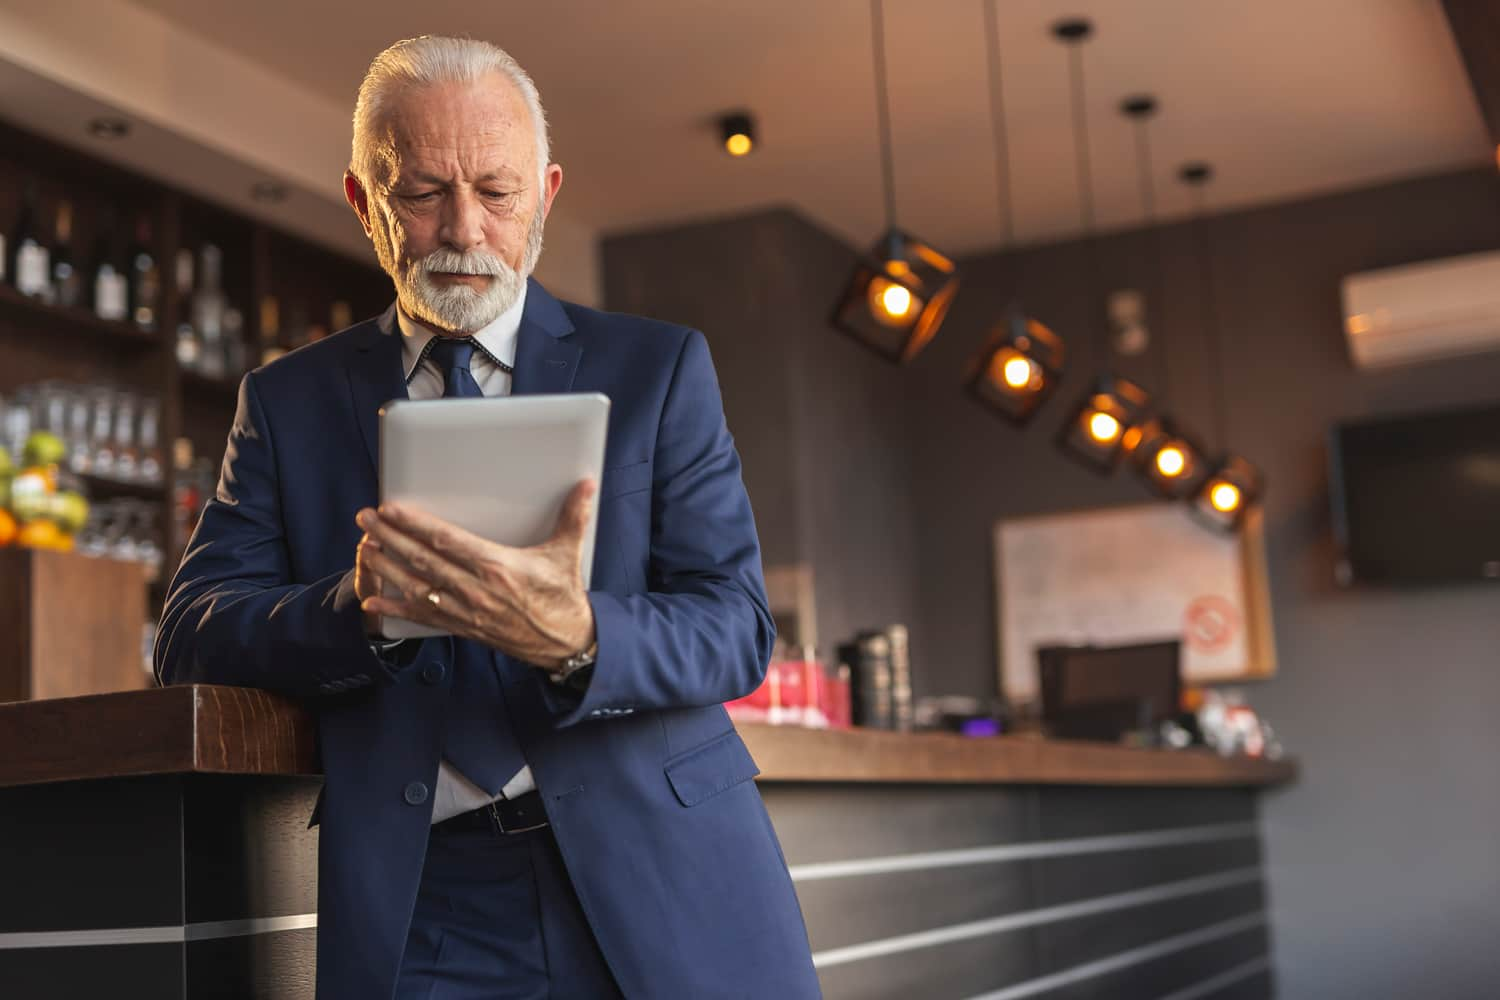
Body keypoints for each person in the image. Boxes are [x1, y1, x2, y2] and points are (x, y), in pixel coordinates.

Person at [155, 34, 820, 1000]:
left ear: (546, 193)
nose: (465, 229)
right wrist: (358, 610)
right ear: (363, 204)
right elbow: (189, 636)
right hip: (423, 903)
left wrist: (583, 635)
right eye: (422, 194)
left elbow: (737, 626)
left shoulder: (659, 369)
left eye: (497, 193)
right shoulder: (285, 403)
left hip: (666, 874)